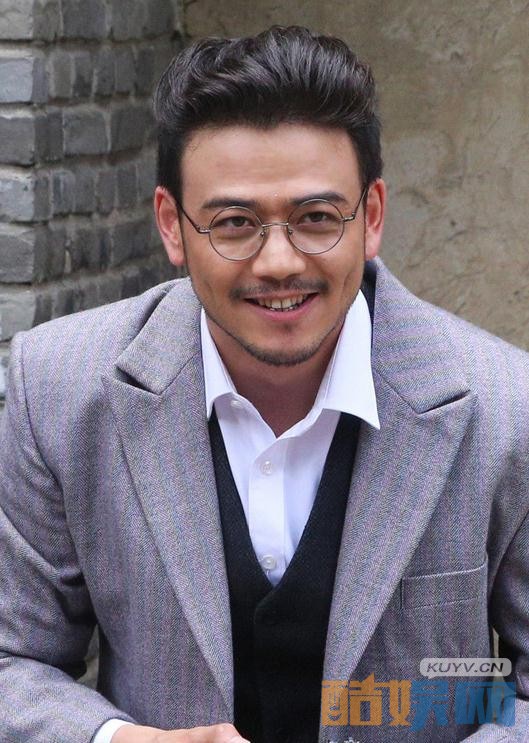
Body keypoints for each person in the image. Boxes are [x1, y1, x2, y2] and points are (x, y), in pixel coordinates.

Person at [0, 25, 528, 743]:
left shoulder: (506, 407)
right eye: (234, 223)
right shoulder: (60, 387)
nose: (278, 261)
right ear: (172, 227)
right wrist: (120, 741)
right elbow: (14, 659)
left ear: (371, 217)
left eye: (316, 218)